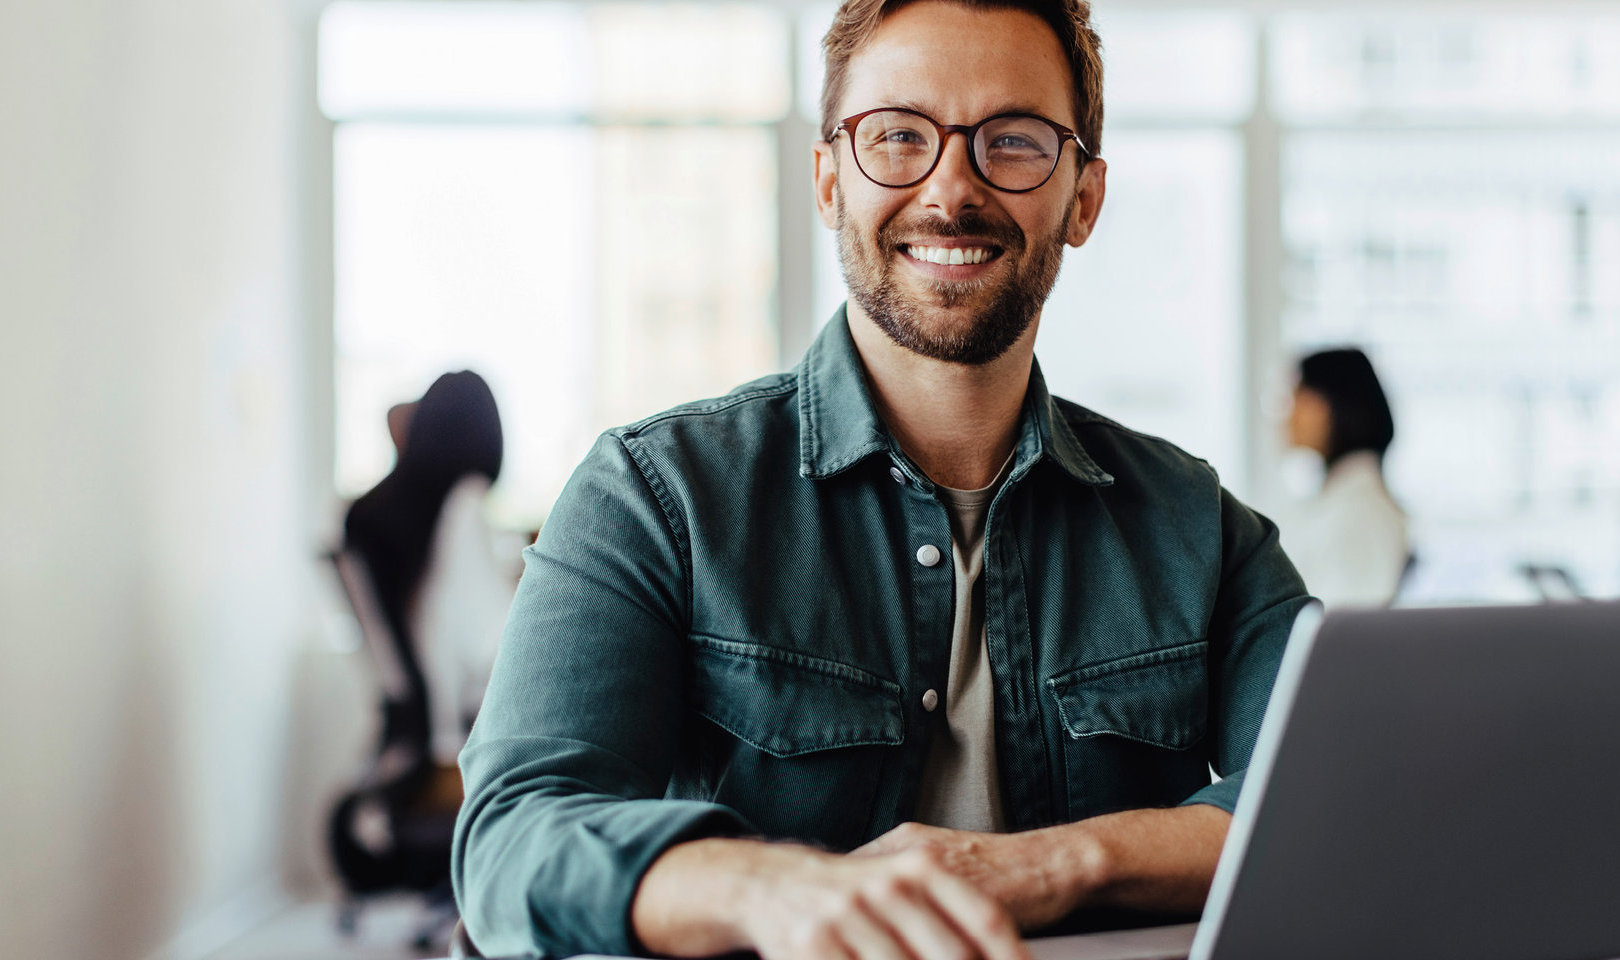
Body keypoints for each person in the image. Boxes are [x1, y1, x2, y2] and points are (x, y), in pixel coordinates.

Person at [452, 3, 1311, 959]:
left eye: (1014, 142)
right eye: (897, 136)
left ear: (1084, 199)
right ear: (827, 179)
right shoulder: (655, 497)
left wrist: (1050, 864)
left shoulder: (1199, 528)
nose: (951, 189)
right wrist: (773, 889)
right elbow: (512, 837)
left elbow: (1338, 792)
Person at [344, 370, 516, 769]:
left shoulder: (379, 514)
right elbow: (492, 646)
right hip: (460, 747)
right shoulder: (463, 506)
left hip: (405, 743)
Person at [1279, 348, 1409, 608]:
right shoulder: (1345, 499)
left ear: (1329, 406)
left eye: (1297, 396)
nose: (1286, 414)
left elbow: (1337, 633)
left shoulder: (1359, 511)